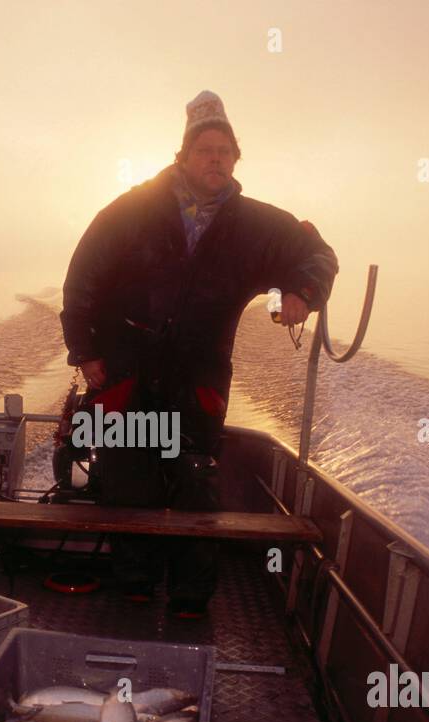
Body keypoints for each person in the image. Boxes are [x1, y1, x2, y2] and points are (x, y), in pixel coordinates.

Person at [59, 90, 339, 619]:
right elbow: (82, 276)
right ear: (183, 156)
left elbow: (317, 253)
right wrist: (86, 351)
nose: (216, 159)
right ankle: (136, 589)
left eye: (226, 151)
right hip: (127, 367)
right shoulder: (130, 210)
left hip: (200, 373)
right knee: (127, 478)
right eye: (206, 149)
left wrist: (303, 291)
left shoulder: (258, 226)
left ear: (236, 159)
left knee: (196, 480)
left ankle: (190, 600)